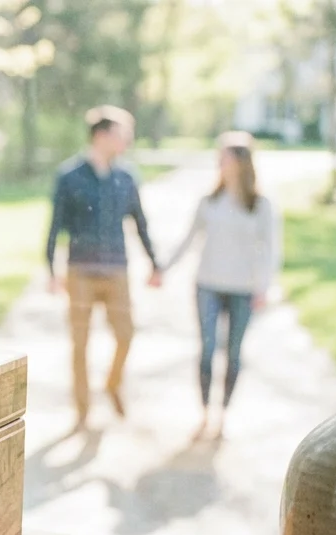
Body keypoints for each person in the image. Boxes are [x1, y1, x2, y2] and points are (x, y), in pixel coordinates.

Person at [46, 106, 162, 430]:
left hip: (116, 270)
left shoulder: (127, 177)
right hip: (80, 270)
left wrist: (155, 263)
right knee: (79, 343)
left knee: (126, 334)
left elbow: (140, 223)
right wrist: (51, 268)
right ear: (100, 136)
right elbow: (55, 225)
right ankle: (82, 410)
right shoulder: (69, 177)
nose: (126, 140)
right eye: (120, 134)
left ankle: (113, 383)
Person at [165, 131, 281, 439]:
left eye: (225, 155)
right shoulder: (209, 201)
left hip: (243, 289)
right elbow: (188, 240)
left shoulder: (260, 205)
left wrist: (263, 287)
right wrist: (162, 269)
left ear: (242, 162)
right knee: (206, 348)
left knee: (233, 352)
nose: (220, 161)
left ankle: (224, 412)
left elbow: (270, 249)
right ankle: (204, 411)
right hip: (208, 285)